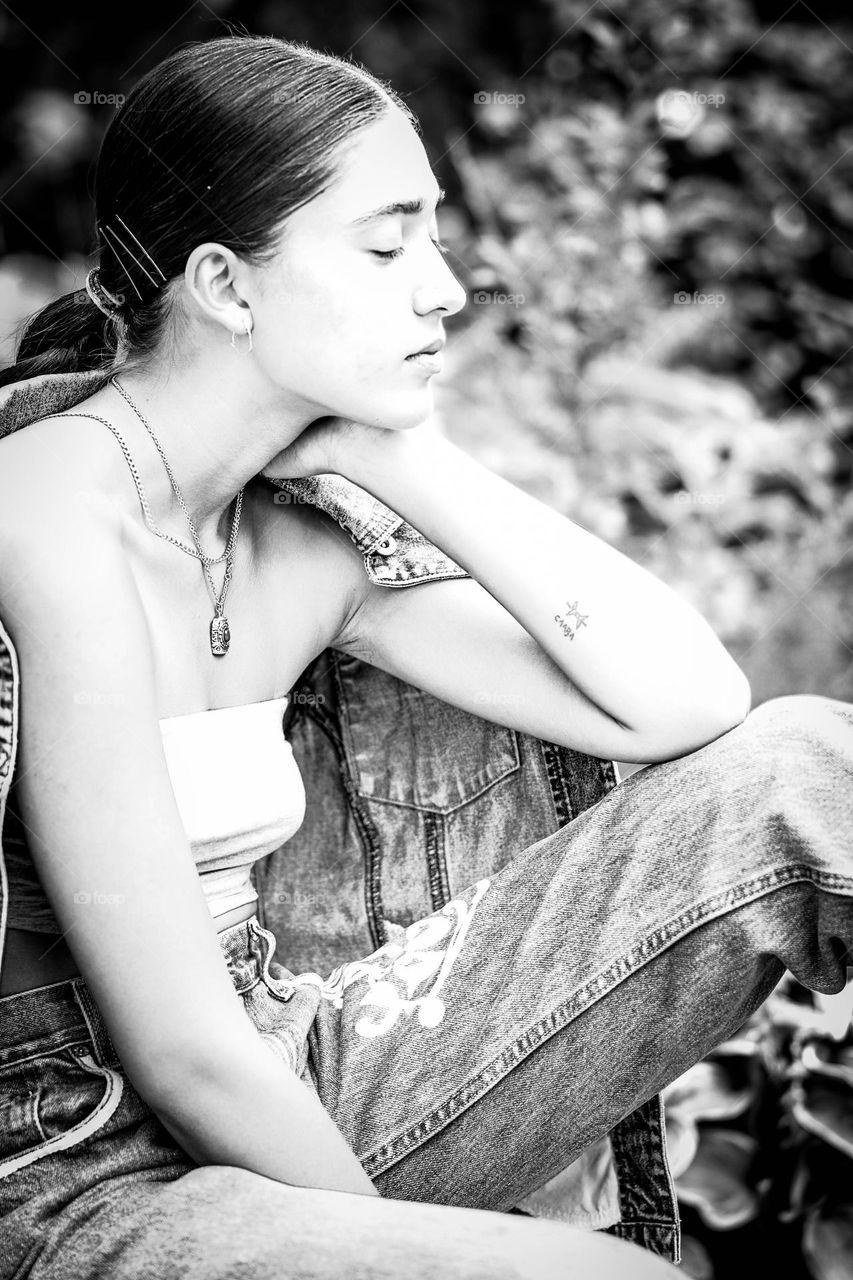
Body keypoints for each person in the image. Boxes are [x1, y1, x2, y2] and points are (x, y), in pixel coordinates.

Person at [0, 31, 850, 1280]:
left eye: (435, 240)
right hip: (83, 1160)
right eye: (389, 244)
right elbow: (176, 1046)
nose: (445, 286)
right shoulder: (46, 517)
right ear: (228, 286)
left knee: (812, 771)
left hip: (291, 1064)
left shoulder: (295, 544)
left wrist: (410, 462)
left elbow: (689, 703)